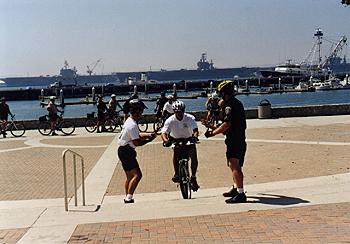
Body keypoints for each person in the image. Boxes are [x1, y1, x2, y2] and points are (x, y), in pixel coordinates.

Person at [202, 80, 247, 203]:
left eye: (221, 93)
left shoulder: (229, 106)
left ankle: (240, 193)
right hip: (238, 139)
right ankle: (235, 187)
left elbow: (226, 125)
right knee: (234, 165)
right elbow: (225, 125)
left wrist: (211, 133)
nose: (220, 96)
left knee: (235, 165)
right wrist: (211, 126)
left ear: (224, 93)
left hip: (234, 140)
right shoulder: (235, 103)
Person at [117, 99, 156, 203]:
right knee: (138, 175)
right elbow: (136, 142)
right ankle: (128, 198)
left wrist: (148, 135)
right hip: (127, 151)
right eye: (141, 111)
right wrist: (149, 140)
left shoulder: (129, 121)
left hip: (122, 150)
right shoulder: (132, 125)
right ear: (137, 111)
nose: (142, 113)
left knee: (130, 176)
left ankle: (128, 196)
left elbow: (136, 136)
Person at [161, 100, 200, 191]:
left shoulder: (190, 118)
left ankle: (193, 177)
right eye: (177, 112)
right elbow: (164, 133)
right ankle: (176, 173)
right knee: (176, 153)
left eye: (181, 111)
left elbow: (195, 129)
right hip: (176, 139)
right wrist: (166, 141)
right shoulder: (170, 120)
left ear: (184, 110)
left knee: (193, 156)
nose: (179, 113)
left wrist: (195, 137)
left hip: (188, 139)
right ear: (174, 111)